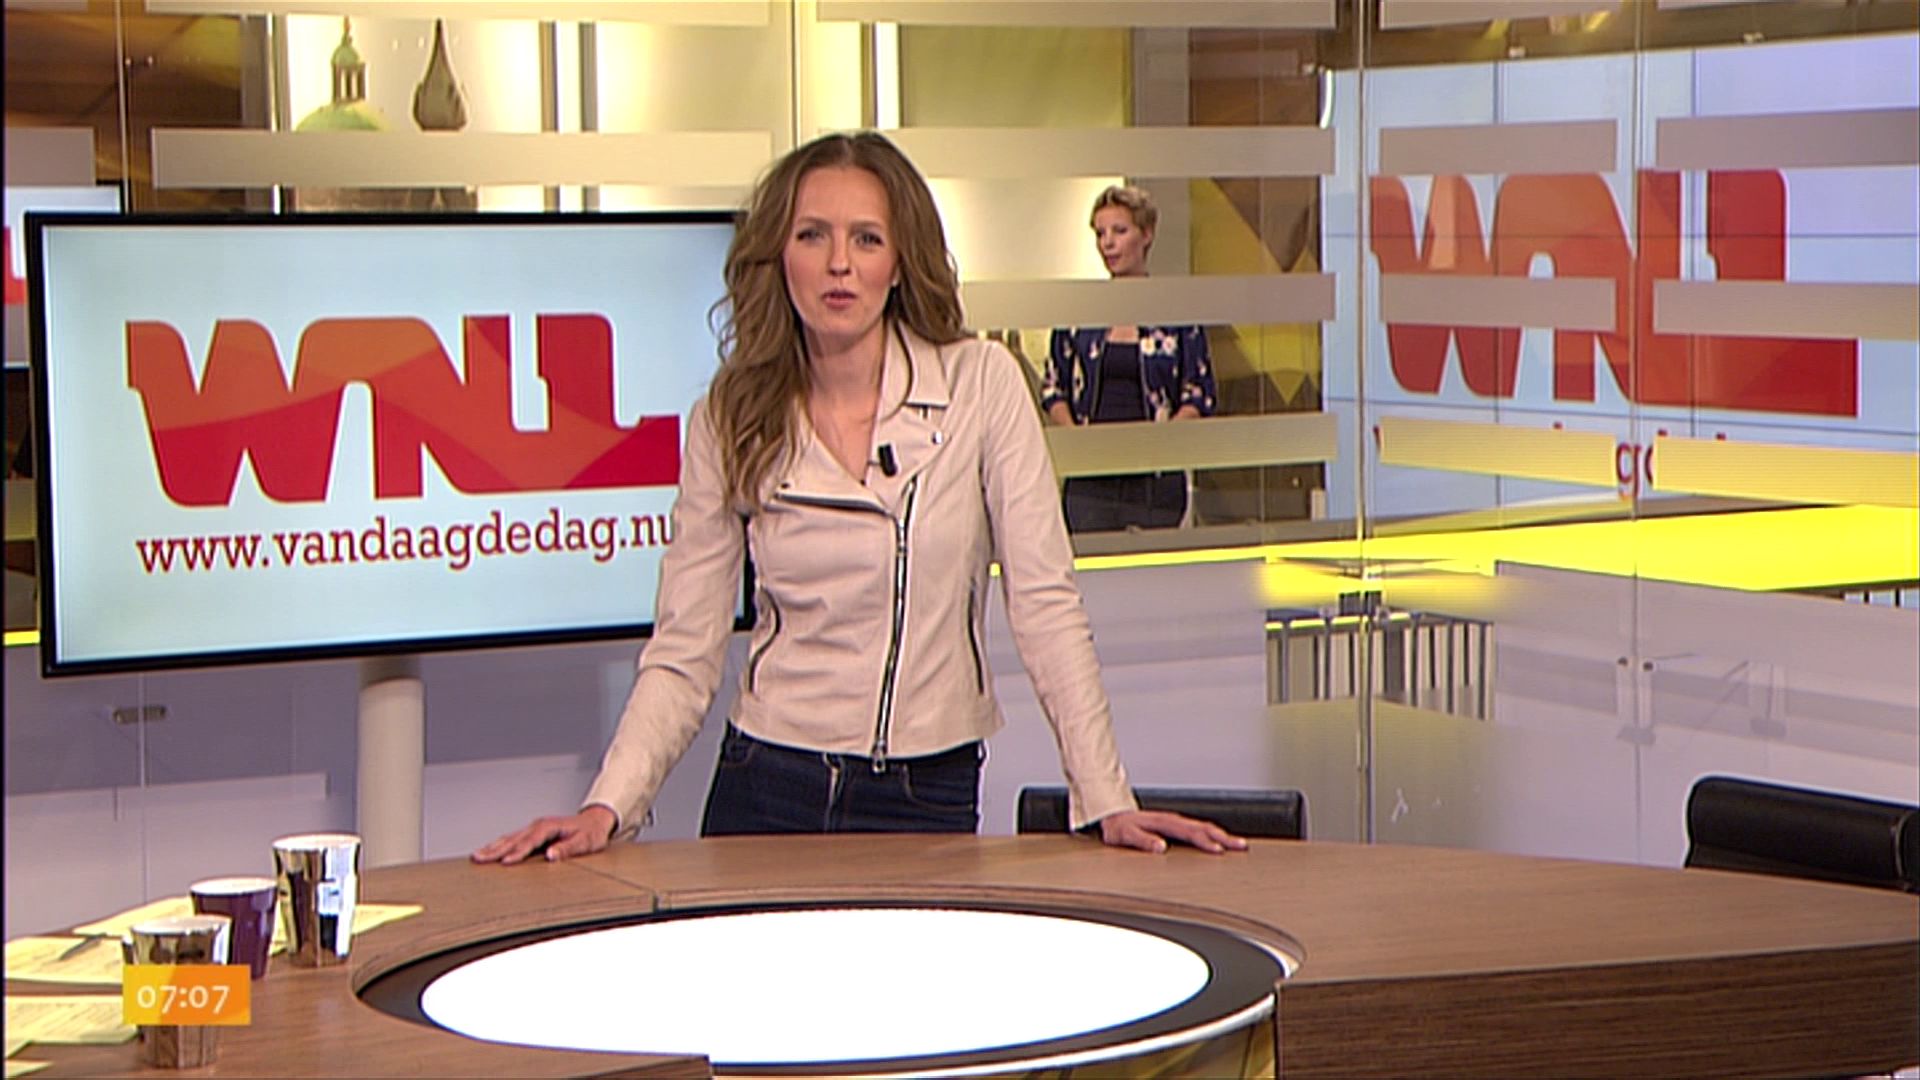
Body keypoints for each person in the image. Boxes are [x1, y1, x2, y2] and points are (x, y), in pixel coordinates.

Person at [475, 133, 1243, 864]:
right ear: (779, 255)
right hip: (767, 784)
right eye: (813, 236)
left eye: (867, 239)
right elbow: (685, 648)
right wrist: (608, 807)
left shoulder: (981, 385)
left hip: (926, 791)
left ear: (900, 261)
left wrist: (1105, 797)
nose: (839, 264)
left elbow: (1045, 604)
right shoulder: (732, 414)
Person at [1040, 185, 1217, 532]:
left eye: (1119, 231)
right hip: (1091, 479)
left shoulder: (1175, 312)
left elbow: (1199, 391)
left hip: (1155, 478)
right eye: (1100, 234)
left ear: (1146, 235)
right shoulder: (1080, 312)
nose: (1107, 243)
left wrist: (1162, 444)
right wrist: (1077, 439)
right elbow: (1053, 387)